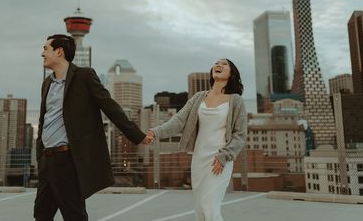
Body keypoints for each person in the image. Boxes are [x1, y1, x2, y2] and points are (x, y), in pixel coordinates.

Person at [34, 34, 150, 221]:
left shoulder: (84, 76)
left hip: (67, 160)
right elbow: (44, 119)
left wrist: (137, 135)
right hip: (47, 161)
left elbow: (109, 106)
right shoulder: (47, 83)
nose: (42, 53)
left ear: (59, 51)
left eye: (46, 48)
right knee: (41, 214)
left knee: (74, 214)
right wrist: (39, 153)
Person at [146, 58, 247, 221]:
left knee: (210, 208)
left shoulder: (235, 100)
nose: (218, 65)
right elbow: (179, 121)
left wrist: (224, 156)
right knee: (201, 210)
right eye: (216, 63)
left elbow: (240, 134)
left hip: (220, 160)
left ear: (232, 73)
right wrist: (155, 133)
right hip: (199, 159)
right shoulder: (199, 97)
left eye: (224, 64)